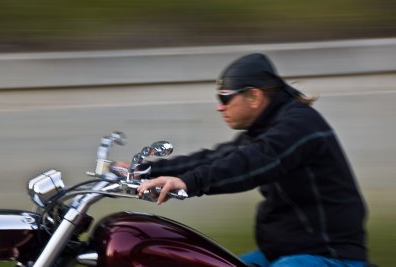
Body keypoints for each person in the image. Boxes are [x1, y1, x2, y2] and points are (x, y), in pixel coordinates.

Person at [136, 53, 368, 267]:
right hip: (283, 251)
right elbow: (218, 157)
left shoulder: (298, 125)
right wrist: (145, 171)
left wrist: (188, 183)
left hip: (329, 256)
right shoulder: (267, 127)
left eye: (224, 98)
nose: (219, 107)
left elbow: (252, 163)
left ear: (254, 96)